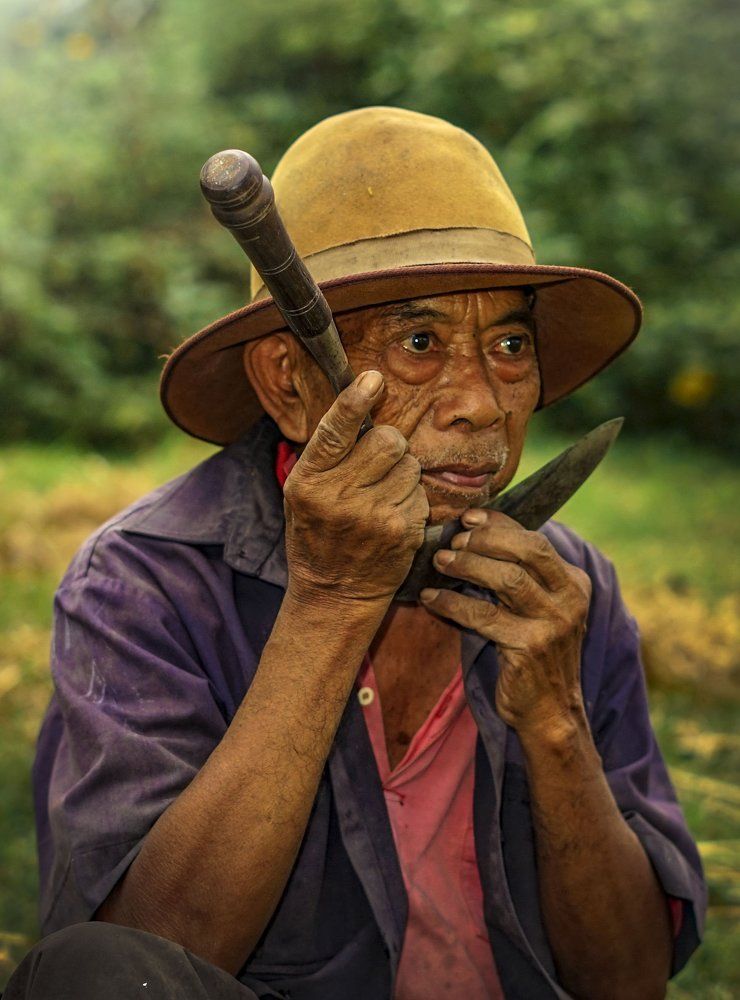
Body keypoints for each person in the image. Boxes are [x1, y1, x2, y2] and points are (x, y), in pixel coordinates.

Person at [8, 108, 705, 1000]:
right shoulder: (144, 583)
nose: (483, 406)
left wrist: (558, 724)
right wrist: (331, 604)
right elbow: (135, 965)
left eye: (509, 346)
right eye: (420, 345)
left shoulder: (564, 593)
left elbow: (631, 979)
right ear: (289, 385)